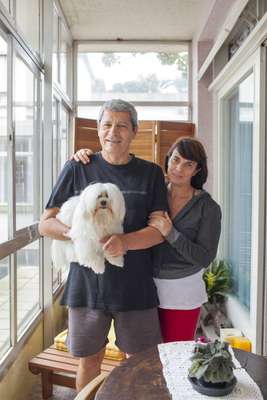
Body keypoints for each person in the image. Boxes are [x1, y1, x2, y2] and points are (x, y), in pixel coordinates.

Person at [38, 99, 168, 392]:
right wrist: (77, 233)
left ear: (135, 131)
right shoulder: (77, 167)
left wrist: (125, 241)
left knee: (140, 361)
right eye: (107, 124)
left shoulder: (151, 173)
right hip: (86, 286)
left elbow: (159, 230)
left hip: (135, 285)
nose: (113, 132)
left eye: (122, 125)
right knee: (88, 361)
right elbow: (45, 223)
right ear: (98, 130)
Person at [74, 137, 221, 343]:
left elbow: (204, 257)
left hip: (181, 292)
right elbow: (114, 187)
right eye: (176, 160)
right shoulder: (153, 190)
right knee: (140, 359)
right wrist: (88, 157)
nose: (179, 168)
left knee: (173, 356)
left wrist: (171, 233)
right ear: (167, 159)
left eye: (188, 164)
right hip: (143, 286)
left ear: (197, 170)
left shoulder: (208, 208)